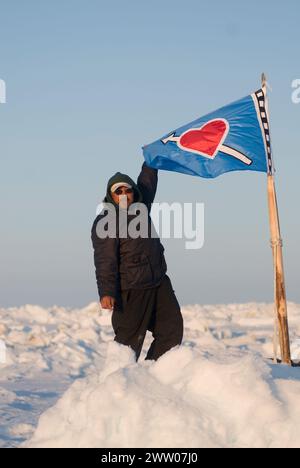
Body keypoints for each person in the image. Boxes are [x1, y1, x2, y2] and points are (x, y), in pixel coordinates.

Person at [91, 161, 183, 361]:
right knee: (128, 344)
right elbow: (104, 261)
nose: (124, 194)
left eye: (127, 190)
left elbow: (147, 182)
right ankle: (117, 385)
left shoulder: (141, 207)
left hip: (159, 284)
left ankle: (154, 375)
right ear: (111, 196)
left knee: (172, 330)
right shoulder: (106, 222)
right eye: (118, 191)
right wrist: (106, 291)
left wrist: (152, 160)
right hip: (131, 290)